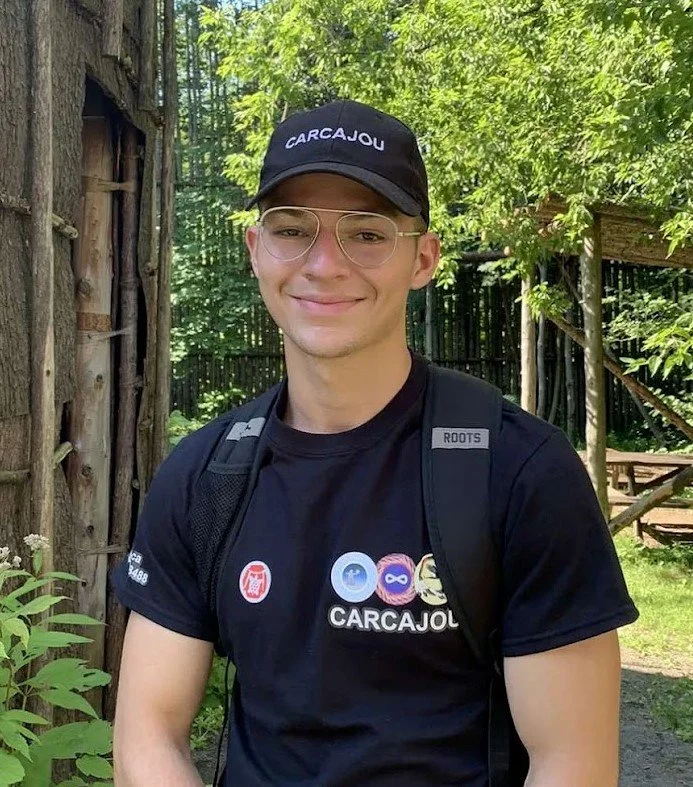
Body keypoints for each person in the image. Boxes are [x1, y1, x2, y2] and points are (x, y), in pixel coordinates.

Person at [112, 99, 638, 786]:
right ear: (254, 249)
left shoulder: (518, 472)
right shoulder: (204, 477)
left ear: (423, 258)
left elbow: (571, 762)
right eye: (292, 229)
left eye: (366, 233)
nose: (324, 264)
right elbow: (148, 737)